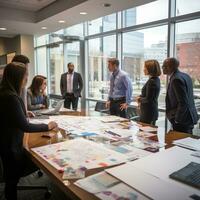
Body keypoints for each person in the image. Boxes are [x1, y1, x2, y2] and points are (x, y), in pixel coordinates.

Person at [0, 62, 58, 200]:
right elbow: (25, 125)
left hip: (5, 142)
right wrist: (47, 126)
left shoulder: (4, 92)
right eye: (25, 76)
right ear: (17, 77)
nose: (26, 80)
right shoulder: (11, 97)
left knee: (11, 180)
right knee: (13, 179)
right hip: (11, 146)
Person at [162, 57, 199, 134]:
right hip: (188, 118)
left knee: (181, 143)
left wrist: (177, 119)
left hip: (182, 120)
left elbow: (183, 102)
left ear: (170, 67)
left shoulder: (176, 79)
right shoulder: (185, 76)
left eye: (164, 65)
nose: (162, 67)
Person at [136, 60, 161, 125]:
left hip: (148, 114)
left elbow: (149, 99)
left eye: (145, 67)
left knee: (146, 133)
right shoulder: (155, 79)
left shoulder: (152, 81)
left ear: (150, 69)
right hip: (149, 113)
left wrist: (139, 99)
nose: (143, 69)